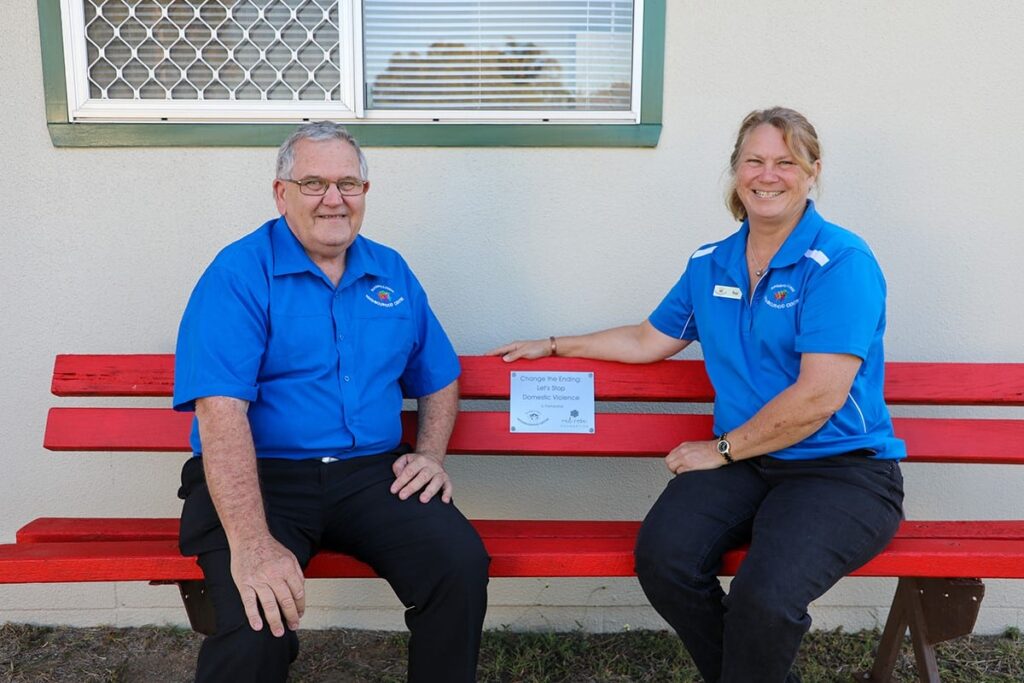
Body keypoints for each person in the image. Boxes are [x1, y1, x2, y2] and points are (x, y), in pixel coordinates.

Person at [488, 107, 905, 683]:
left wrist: (724, 449)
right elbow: (646, 338)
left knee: (765, 597)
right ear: (735, 171)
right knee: (665, 560)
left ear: (812, 172)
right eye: (754, 161)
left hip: (840, 471)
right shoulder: (713, 262)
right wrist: (557, 344)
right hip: (749, 464)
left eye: (786, 162)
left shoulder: (839, 262)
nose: (768, 175)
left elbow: (818, 397)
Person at [173, 121, 489, 683]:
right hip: (262, 478)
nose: (333, 199)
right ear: (282, 193)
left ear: (365, 192)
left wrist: (430, 456)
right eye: (314, 183)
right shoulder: (239, 273)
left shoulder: (391, 270)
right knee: (256, 619)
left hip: (371, 476)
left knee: (458, 567)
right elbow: (220, 413)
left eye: (349, 184)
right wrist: (252, 543)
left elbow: (438, 375)